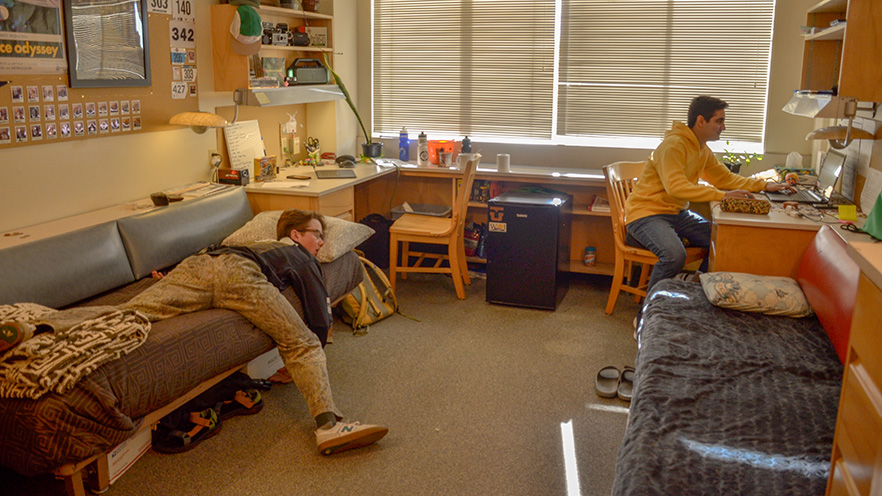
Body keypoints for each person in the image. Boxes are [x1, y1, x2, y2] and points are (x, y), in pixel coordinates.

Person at [121, 209, 388, 455]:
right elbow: (319, 314)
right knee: (303, 344)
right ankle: (329, 427)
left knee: (125, 315)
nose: (321, 243)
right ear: (295, 235)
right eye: (317, 235)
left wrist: (169, 282)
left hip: (197, 265)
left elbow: (206, 267)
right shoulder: (298, 253)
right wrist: (304, 360)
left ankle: (81, 337)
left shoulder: (246, 245)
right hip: (240, 274)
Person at [625, 96, 792, 325]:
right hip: (646, 213)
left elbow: (723, 177)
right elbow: (676, 187)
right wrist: (722, 195)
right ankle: (647, 316)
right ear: (701, 121)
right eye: (719, 121)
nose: (723, 127)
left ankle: (692, 289)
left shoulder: (700, 148)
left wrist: (764, 185)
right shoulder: (674, 145)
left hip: (674, 213)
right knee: (674, 255)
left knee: (722, 241)